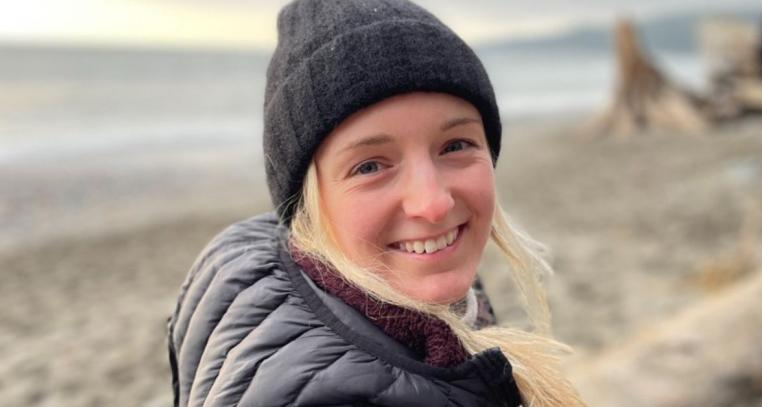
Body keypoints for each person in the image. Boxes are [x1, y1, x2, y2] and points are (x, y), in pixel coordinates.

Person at [167, 0, 586, 406]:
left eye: (456, 145)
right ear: (309, 207)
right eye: (369, 166)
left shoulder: (423, 297)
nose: (434, 204)